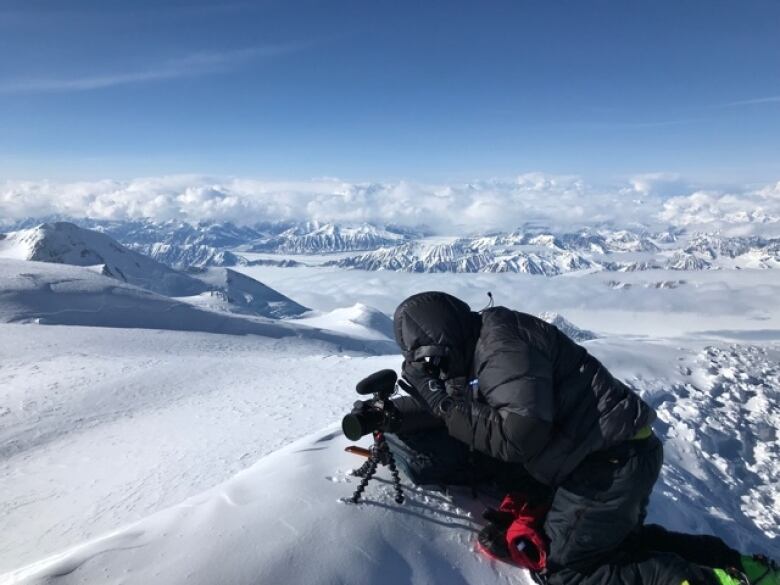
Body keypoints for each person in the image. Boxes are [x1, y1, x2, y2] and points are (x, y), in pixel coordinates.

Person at [388, 291, 777, 585]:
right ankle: (744, 570)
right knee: (618, 549)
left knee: (568, 573)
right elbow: (465, 404)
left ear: (447, 337)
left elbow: (518, 436)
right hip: (614, 454)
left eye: (435, 357)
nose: (436, 368)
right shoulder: (483, 342)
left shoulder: (503, 347)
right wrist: (396, 413)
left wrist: (439, 401)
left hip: (606, 466)